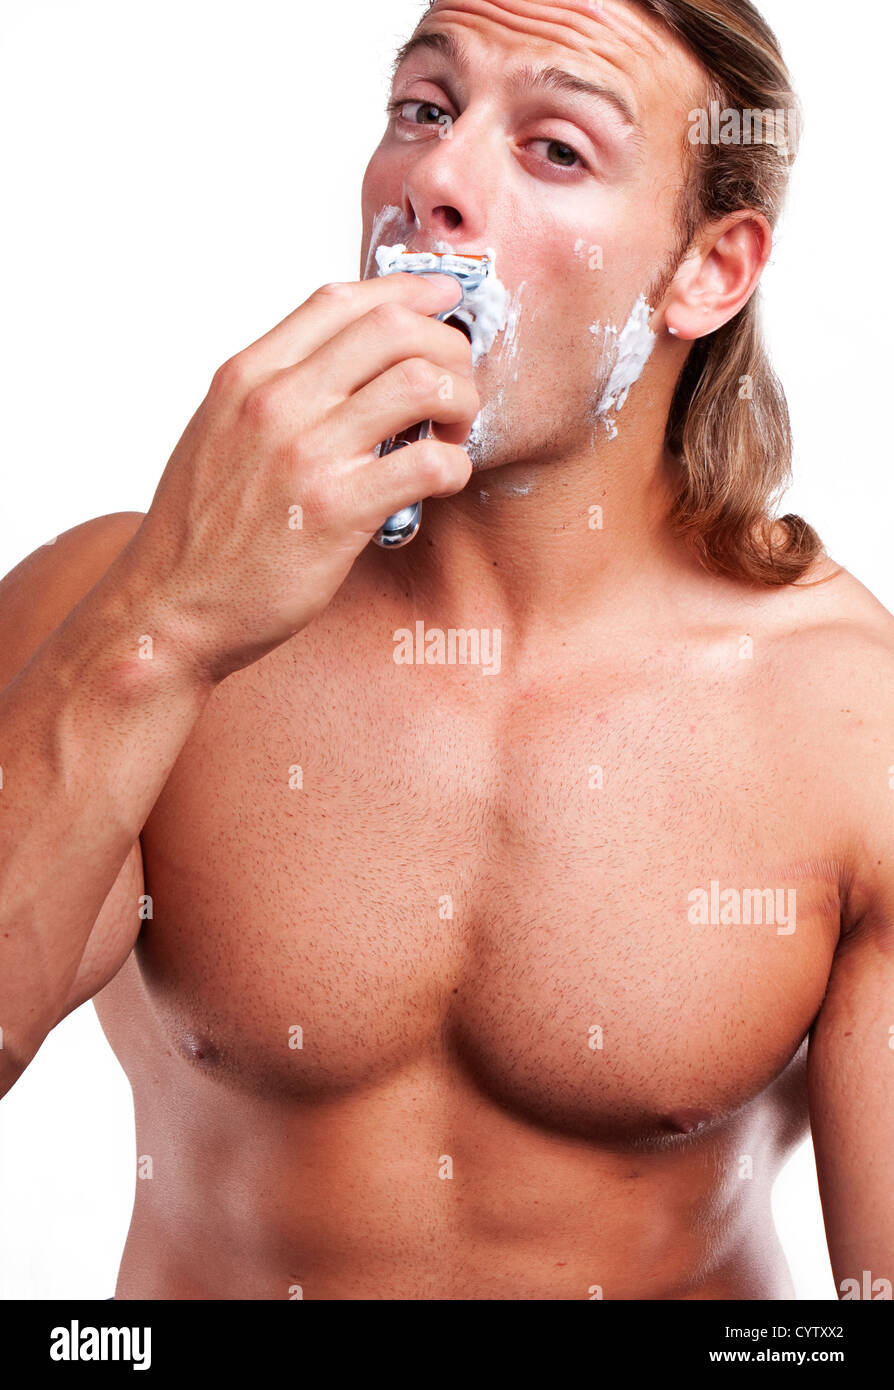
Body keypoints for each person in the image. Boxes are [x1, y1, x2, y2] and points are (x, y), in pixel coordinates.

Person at [1, 0, 891, 1301]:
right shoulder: (112, 607)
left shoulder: (850, 719)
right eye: (423, 110)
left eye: (554, 149)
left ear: (708, 269)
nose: (434, 181)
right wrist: (170, 621)